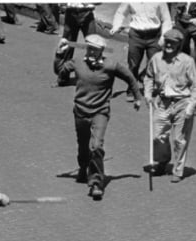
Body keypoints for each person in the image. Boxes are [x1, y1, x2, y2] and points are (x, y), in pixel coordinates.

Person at [54, 34, 141, 200]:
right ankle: (83, 167)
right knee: (83, 144)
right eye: (90, 49)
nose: (92, 52)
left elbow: (130, 77)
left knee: (96, 146)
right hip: (80, 111)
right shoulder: (77, 62)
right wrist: (59, 54)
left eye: (96, 50)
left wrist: (137, 97)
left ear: (102, 51)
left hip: (100, 111)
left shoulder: (110, 65)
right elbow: (60, 70)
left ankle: (96, 183)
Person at [143, 28, 196, 183]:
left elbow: (195, 86)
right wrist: (147, 94)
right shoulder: (155, 59)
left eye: (173, 43)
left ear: (178, 45)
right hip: (162, 103)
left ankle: (178, 170)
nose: (169, 45)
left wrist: (191, 107)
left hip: (182, 102)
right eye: (167, 42)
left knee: (180, 140)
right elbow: (148, 77)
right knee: (158, 136)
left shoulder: (187, 61)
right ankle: (163, 161)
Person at [110, 3, 172, 102]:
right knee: (133, 64)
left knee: (155, 64)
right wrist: (116, 25)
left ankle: (146, 82)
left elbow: (166, 19)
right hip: (136, 35)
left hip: (154, 35)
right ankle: (131, 89)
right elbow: (120, 12)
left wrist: (163, 37)